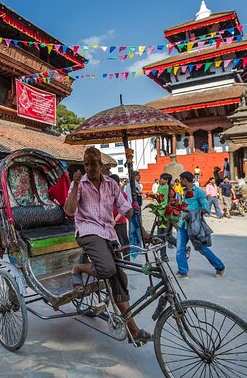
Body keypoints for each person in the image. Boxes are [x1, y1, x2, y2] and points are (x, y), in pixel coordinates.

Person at [65, 147, 152, 344]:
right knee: (107, 268)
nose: (89, 168)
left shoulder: (111, 184)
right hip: (88, 231)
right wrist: (76, 185)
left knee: (120, 280)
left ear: (101, 165)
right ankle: (78, 267)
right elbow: (70, 211)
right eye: (86, 164)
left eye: (93, 164)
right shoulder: (79, 183)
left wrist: (142, 231)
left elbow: (125, 208)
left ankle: (134, 330)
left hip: (108, 232)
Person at [176, 171, 226, 278]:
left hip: (194, 226)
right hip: (182, 225)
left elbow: (206, 209)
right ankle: (183, 271)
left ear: (185, 179)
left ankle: (220, 267)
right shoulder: (183, 192)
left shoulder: (198, 192)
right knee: (180, 249)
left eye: (181, 179)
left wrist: (192, 215)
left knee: (202, 249)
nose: (180, 181)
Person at [109, 174, 130, 261]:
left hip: (119, 221)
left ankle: (126, 259)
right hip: (110, 221)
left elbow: (124, 208)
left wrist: (115, 219)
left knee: (123, 241)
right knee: (113, 242)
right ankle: (118, 259)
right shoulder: (108, 193)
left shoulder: (122, 194)